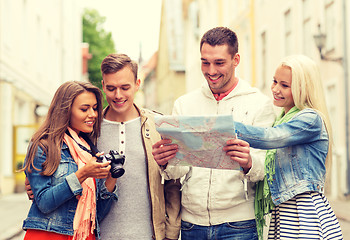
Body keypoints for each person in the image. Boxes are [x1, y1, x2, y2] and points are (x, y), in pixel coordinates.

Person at [152, 27, 276, 240]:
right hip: (192, 224)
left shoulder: (258, 104)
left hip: (239, 225)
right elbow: (178, 171)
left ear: (236, 60)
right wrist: (166, 162)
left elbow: (268, 167)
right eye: (205, 62)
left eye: (219, 63)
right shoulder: (185, 104)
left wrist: (248, 162)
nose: (211, 70)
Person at [224, 55, 344, 240]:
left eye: (284, 85)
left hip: (304, 211)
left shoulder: (310, 119)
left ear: (302, 89)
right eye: (274, 81)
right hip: (286, 210)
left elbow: (270, 137)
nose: (275, 89)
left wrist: (223, 127)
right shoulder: (281, 119)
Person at [97, 53, 181, 240]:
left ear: (137, 84)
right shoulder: (90, 129)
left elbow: (173, 185)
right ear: (103, 86)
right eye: (111, 88)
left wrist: (171, 232)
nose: (118, 95)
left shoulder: (159, 125)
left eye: (125, 87)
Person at [21, 81, 118, 240]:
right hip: (50, 235)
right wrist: (83, 174)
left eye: (94, 108)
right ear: (65, 111)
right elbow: (44, 203)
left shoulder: (89, 150)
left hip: (86, 235)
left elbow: (98, 214)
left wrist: (111, 179)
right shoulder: (43, 146)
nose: (92, 114)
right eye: (84, 109)